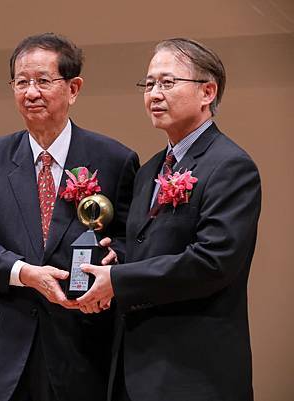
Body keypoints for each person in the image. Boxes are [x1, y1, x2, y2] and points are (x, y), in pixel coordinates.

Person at [0, 33, 139, 401]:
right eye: (21, 82)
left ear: (73, 88)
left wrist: (113, 259)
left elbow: (131, 241)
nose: (31, 92)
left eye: (43, 80)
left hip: (83, 344)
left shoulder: (115, 159)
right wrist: (28, 274)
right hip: (5, 347)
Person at [78, 38, 261, 401]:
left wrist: (119, 279)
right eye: (148, 84)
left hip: (194, 372)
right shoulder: (149, 171)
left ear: (208, 92)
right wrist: (118, 257)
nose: (154, 94)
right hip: (135, 370)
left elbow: (213, 262)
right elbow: (148, 246)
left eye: (167, 82)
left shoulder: (230, 166)